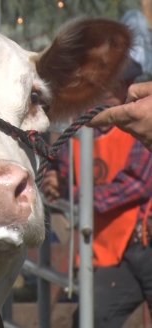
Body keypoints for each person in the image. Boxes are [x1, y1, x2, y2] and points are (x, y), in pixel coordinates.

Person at [43, 66, 152, 328]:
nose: (116, 91)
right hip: (113, 247)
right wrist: (58, 182)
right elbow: (65, 173)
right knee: (91, 317)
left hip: (144, 240)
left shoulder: (138, 122)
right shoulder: (80, 130)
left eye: (121, 83)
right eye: (109, 84)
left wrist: (77, 194)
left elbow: (138, 183)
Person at [89, 80, 152, 151]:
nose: (107, 92)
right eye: (101, 86)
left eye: (115, 86)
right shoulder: (78, 122)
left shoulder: (142, 130)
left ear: (127, 86)